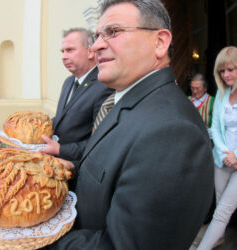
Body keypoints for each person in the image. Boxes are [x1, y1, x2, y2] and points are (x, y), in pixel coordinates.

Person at [47, 1, 214, 249]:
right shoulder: (123, 102)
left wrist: (35, 238)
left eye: (113, 32)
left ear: (159, 42)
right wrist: (72, 168)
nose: (96, 46)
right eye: (97, 36)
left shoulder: (173, 132)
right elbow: (111, 168)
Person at [41, 28, 112, 161]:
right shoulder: (68, 82)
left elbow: (101, 143)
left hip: (78, 168)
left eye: (70, 50)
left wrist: (59, 149)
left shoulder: (104, 86)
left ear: (90, 52)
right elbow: (62, 119)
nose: (64, 56)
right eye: (62, 51)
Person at [197, 46, 237, 249]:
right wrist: (224, 153)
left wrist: (236, 155)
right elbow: (216, 128)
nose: (226, 74)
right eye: (222, 70)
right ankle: (219, 237)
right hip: (222, 159)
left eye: (231, 69)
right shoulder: (222, 94)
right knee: (220, 205)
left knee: (223, 211)